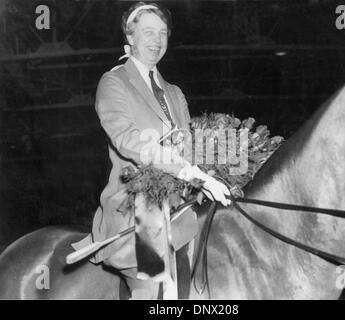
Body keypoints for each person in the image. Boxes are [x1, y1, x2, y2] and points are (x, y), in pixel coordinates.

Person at [73, 2, 231, 299]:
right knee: (153, 286)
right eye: (148, 32)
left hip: (181, 208)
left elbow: (189, 148)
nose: (157, 41)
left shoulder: (174, 93)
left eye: (162, 33)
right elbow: (129, 140)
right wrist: (186, 170)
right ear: (130, 37)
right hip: (136, 209)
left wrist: (212, 174)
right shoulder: (114, 82)